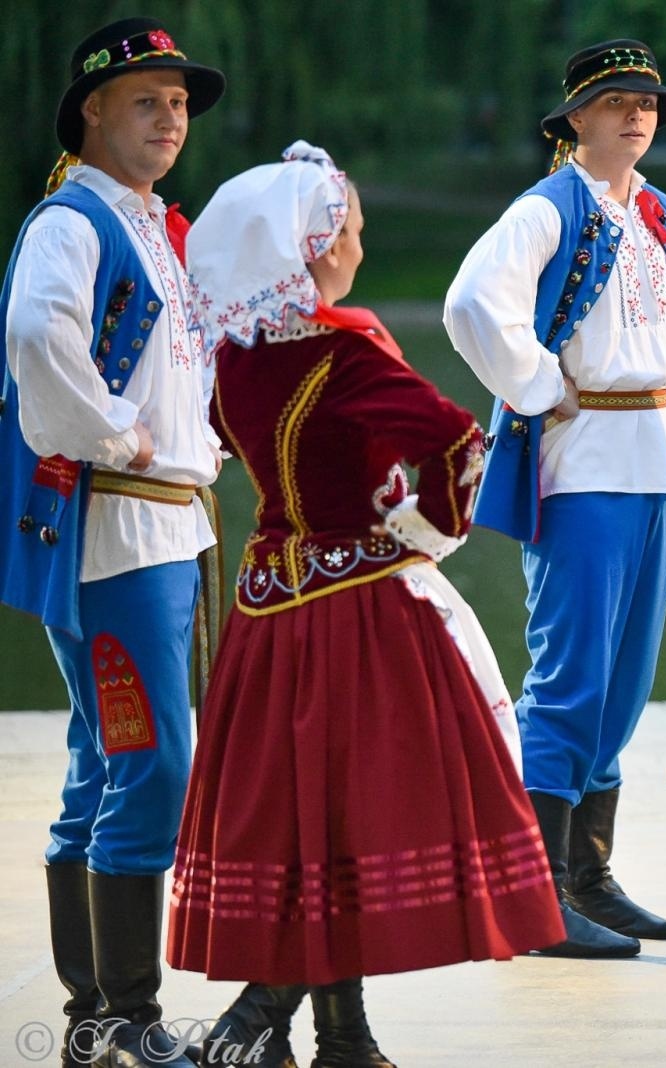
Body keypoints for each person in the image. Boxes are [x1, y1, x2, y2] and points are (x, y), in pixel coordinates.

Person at [167, 143, 565, 1066]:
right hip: (356, 608)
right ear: (311, 248)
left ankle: (343, 1038)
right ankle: (255, 1020)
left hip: (268, 609)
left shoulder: (231, 359)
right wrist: (427, 532)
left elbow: (233, 453)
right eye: (347, 230)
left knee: (311, 818)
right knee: (354, 816)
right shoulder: (343, 348)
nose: (356, 245)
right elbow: (461, 443)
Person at [444, 39, 666, 959]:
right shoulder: (547, 207)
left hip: (658, 459)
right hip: (583, 464)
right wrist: (536, 384)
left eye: (648, 101)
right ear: (575, 118)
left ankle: (589, 877)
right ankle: (536, 895)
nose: (636, 114)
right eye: (615, 100)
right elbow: (470, 306)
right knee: (569, 679)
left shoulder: (660, 213)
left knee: (620, 688)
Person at [0, 17, 225, 1065]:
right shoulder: (73, 220)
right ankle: (125, 1015)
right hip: (114, 526)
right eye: (147, 100)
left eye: (179, 103)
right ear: (93, 109)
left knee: (107, 761)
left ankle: (95, 1015)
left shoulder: (150, 225)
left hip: (162, 524)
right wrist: (110, 434)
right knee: (153, 760)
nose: (170, 119)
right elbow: (38, 335)